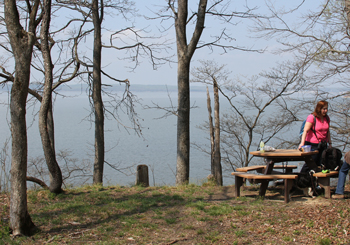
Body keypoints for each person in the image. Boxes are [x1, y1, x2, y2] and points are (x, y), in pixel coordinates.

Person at [298, 100, 332, 171]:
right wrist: (302, 143)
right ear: (319, 109)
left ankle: (314, 181)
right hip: (312, 144)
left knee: (320, 164)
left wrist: (330, 143)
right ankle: (301, 178)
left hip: (323, 144)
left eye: (326, 109)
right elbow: (305, 131)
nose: (325, 111)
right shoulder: (312, 117)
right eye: (324, 109)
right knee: (311, 163)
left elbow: (328, 131)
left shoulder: (327, 118)